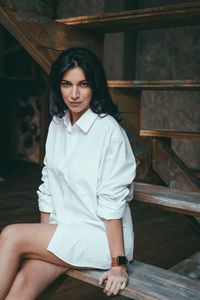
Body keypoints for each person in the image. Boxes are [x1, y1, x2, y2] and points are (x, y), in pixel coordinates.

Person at [0, 48, 136, 299]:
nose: (74, 94)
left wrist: (118, 265)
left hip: (101, 238)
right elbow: (49, 186)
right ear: (58, 86)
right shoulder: (57, 124)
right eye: (67, 84)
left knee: (11, 235)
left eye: (83, 84)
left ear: (94, 86)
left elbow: (112, 201)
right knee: (23, 281)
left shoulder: (108, 131)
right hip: (66, 232)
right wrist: (42, 240)